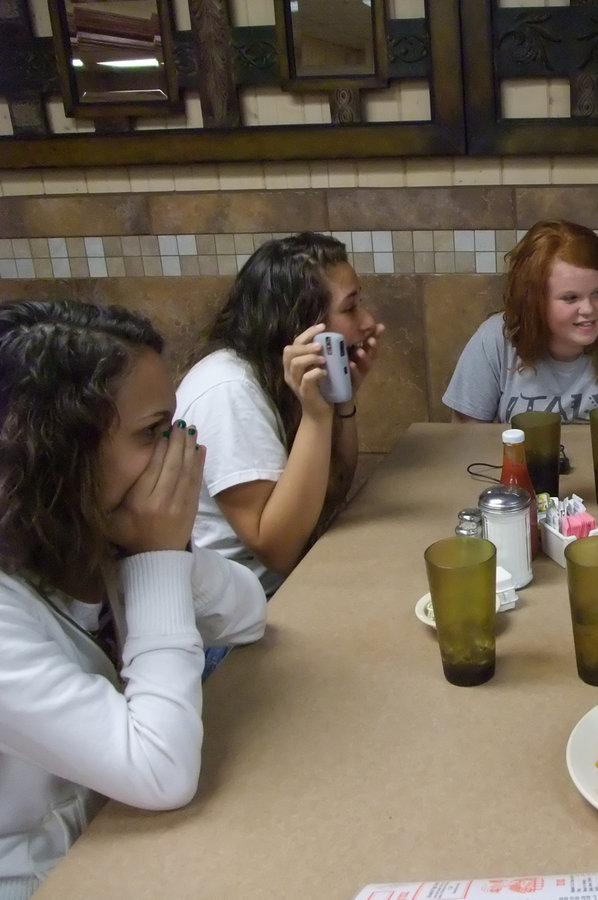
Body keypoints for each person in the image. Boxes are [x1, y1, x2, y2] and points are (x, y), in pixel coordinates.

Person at [0, 300, 268, 898]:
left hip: (118, 836)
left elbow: (247, 613)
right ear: (62, 457)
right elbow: (159, 772)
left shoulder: (89, 534)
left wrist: (162, 548)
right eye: (154, 433)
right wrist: (158, 558)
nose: (183, 455)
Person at [176, 232, 384, 601]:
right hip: (239, 627)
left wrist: (341, 400)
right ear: (300, 324)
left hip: (282, 591)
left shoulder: (275, 377)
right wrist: (317, 418)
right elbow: (280, 551)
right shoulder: (228, 392)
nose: (368, 321)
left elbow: (332, 491)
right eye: (350, 308)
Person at [442, 219, 598, 424]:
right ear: (534, 302)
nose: (589, 309)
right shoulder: (496, 338)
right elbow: (465, 440)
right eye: (571, 298)